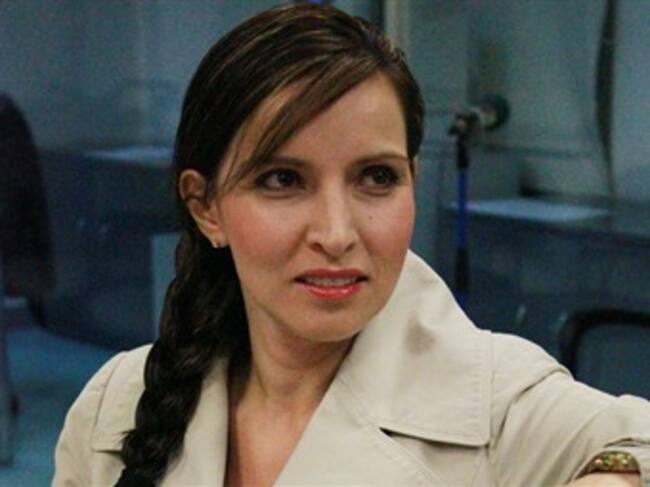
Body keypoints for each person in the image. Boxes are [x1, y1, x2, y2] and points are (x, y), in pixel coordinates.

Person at [53, 4, 650, 487]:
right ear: (205, 206)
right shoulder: (117, 406)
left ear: (413, 181)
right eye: (282, 180)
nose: (337, 234)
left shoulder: (499, 402)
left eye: (376, 177)